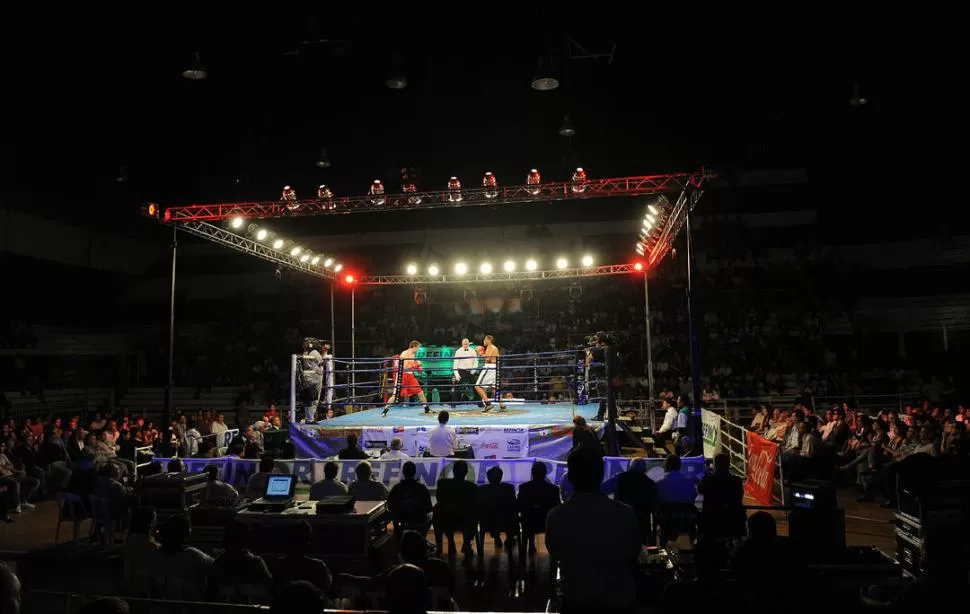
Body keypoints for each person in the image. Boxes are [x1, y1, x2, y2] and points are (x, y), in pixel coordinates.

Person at [546, 447, 640, 613]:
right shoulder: (626, 514)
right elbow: (633, 555)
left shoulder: (556, 516)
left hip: (576, 600)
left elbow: (556, 554)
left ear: (570, 477)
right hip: (618, 599)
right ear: (602, 475)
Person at [383, 341, 433, 416]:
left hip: (410, 376)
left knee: (420, 392)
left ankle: (426, 408)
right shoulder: (405, 353)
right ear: (414, 346)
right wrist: (415, 364)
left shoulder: (413, 354)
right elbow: (404, 366)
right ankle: (385, 411)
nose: (418, 349)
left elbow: (412, 367)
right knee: (395, 395)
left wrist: (418, 367)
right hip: (402, 376)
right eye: (418, 347)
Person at [474, 335, 507, 412]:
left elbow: (488, 359)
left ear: (489, 340)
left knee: (477, 386)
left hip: (489, 367)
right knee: (493, 388)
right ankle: (502, 404)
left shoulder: (490, 347)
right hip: (495, 367)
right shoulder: (494, 348)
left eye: (485, 339)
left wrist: (481, 353)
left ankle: (488, 404)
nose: (484, 341)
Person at [451, 338, 478, 404]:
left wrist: (473, 370)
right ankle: (454, 403)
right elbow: (455, 364)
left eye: (466, 343)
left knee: (476, 386)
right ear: (462, 344)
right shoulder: (458, 351)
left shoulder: (472, 351)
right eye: (464, 344)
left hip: (470, 371)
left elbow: (476, 361)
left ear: (469, 344)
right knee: (457, 386)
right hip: (461, 370)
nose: (465, 345)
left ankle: (479, 402)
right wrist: (457, 375)